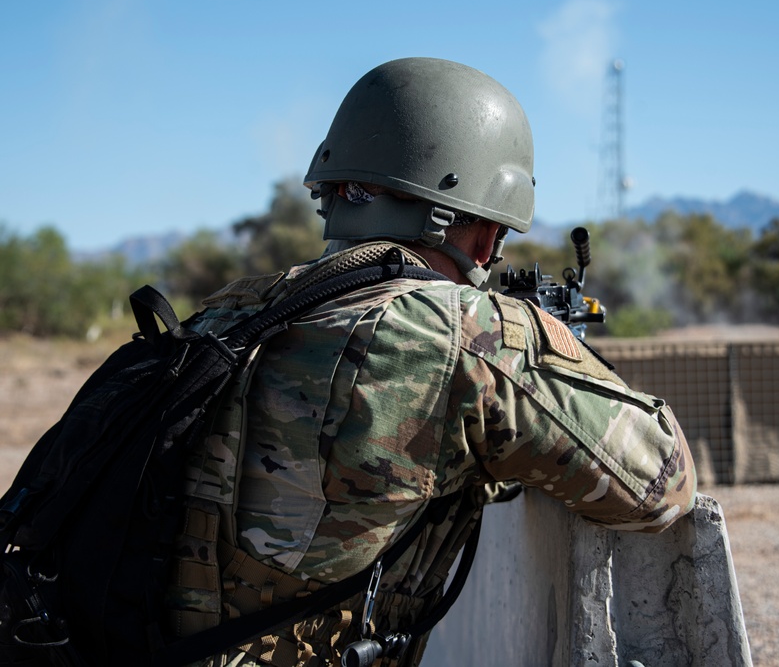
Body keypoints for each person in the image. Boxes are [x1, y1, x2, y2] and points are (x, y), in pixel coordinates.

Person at [165, 57, 696, 667]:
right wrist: (547, 341)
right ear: (486, 233)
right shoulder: (461, 332)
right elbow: (663, 483)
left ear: (334, 193)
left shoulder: (231, 310)